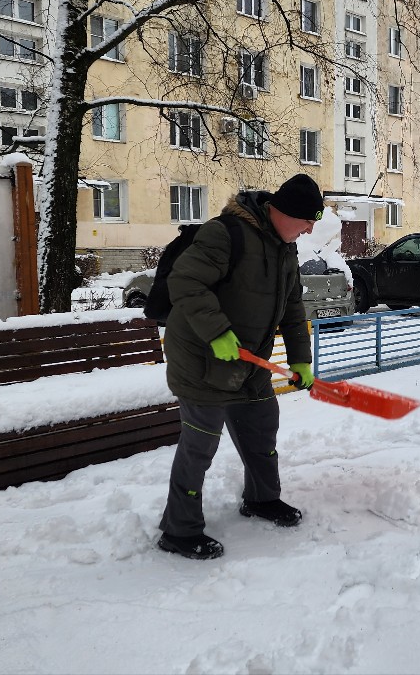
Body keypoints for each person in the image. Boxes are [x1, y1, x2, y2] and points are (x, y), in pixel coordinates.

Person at [157, 174, 324, 560]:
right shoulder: (225, 233)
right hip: (201, 358)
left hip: (249, 362)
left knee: (261, 427)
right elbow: (186, 281)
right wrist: (216, 331)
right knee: (200, 443)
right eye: (306, 221)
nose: (310, 230)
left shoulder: (285, 248)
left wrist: (301, 359)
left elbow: (293, 307)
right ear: (283, 212)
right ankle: (179, 530)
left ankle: (262, 499)